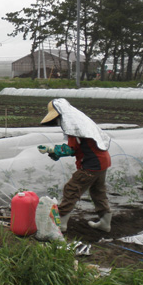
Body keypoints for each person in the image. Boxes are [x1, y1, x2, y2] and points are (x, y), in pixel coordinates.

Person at [37, 98, 112, 232]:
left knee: (72, 189)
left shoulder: (74, 127)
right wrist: (55, 153)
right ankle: (105, 223)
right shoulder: (81, 123)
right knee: (98, 192)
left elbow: (70, 149)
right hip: (102, 161)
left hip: (92, 164)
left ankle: (60, 223)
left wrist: (51, 149)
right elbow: (78, 148)